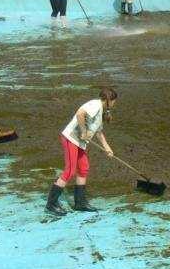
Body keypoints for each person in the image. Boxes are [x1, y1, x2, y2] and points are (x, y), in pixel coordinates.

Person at [45, 87, 118, 216]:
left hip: (80, 143)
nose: (114, 104)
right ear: (109, 100)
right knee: (70, 171)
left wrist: (107, 148)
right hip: (70, 139)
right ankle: (51, 204)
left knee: (83, 168)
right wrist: (84, 131)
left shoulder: (101, 111)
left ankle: (80, 203)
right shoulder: (95, 105)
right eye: (114, 101)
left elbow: (98, 132)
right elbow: (80, 113)